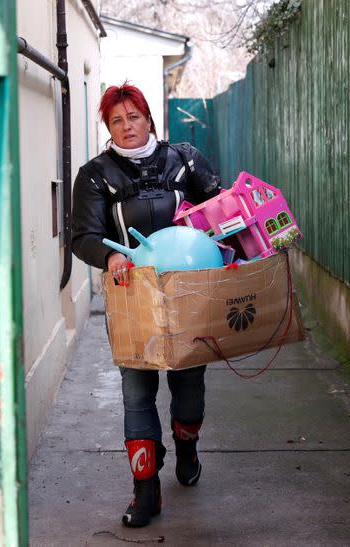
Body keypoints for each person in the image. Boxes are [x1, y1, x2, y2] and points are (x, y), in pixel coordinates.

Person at [71, 83, 222, 528]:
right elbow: (83, 236)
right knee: (137, 391)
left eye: (132, 116)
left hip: (190, 295)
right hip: (132, 296)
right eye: (116, 120)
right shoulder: (95, 175)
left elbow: (219, 207)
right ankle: (145, 490)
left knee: (189, 384)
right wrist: (110, 255)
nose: (126, 126)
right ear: (109, 128)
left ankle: (187, 442)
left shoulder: (186, 159)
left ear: (148, 118)